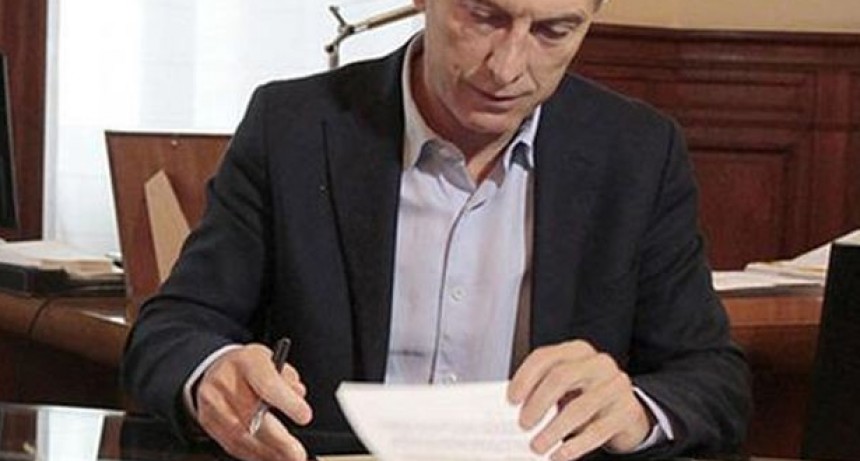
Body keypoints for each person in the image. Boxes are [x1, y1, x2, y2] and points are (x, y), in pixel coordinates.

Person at [122, 0, 751, 459]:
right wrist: (215, 373)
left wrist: (633, 410)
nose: (508, 67)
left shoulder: (637, 152)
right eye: (484, 17)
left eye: (553, 31)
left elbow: (712, 378)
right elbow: (171, 330)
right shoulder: (291, 126)